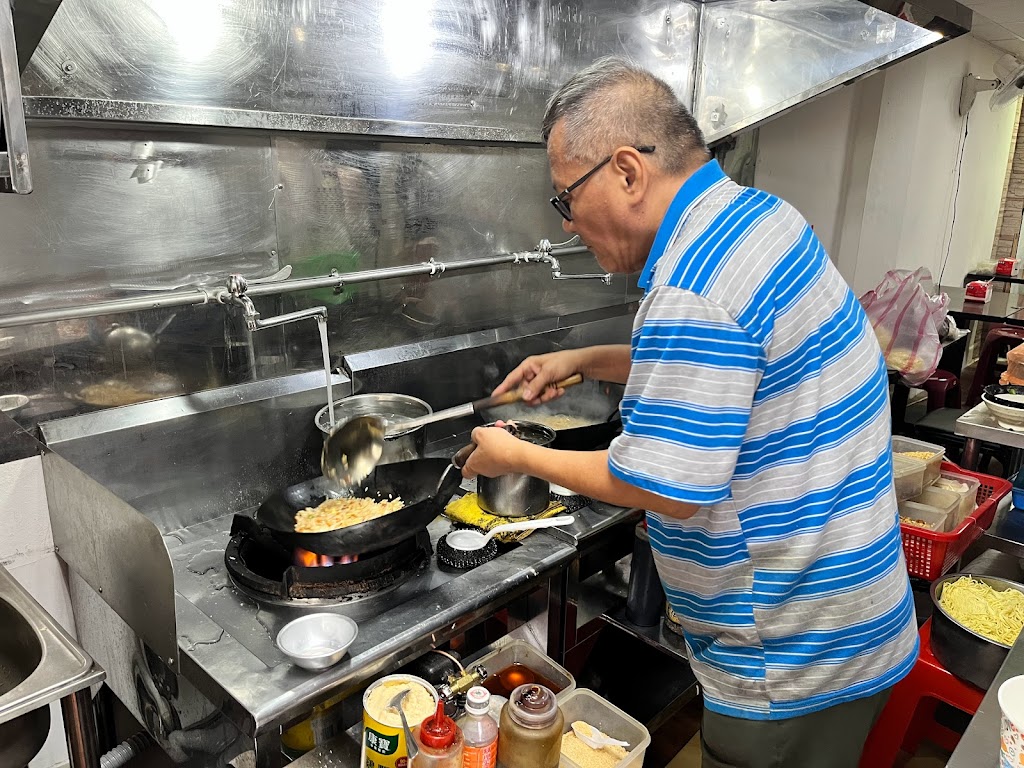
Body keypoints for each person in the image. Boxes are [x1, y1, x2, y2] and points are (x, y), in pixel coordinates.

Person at [460, 57, 917, 768]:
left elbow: (661, 486)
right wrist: (582, 360)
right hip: (848, 620)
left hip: (789, 662)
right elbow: (734, 367)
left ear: (627, 171)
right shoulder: (756, 219)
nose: (569, 225)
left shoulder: (692, 286)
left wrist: (514, 455)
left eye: (565, 199)